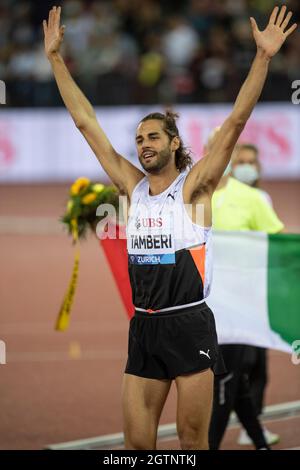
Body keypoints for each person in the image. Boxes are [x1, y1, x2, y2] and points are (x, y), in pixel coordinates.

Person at [43, 5, 296, 450]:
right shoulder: (131, 187)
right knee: (138, 447)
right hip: (143, 326)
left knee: (192, 443)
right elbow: (87, 124)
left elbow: (236, 122)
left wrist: (263, 58)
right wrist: (56, 60)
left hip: (189, 325)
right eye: (139, 139)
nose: (143, 145)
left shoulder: (194, 188)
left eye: (153, 137)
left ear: (174, 143)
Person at [206, 130, 284, 449]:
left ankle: (206, 447)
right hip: (204, 305)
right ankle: (260, 442)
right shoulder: (194, 193)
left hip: (242, 306)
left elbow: (277, 244)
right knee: (233, 379)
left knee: (229, 376)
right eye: (214, 148)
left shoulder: (253, 198)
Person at [230, 143, 280, 446]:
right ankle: (244, 428)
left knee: (259, 363)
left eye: (252, 161)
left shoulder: (262, 198)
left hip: (256, 293)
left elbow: (272, 240)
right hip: (228, 294)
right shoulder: (219, 197)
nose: (247, 166)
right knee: (239, 363)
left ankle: (253, 426)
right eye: (242, 161)